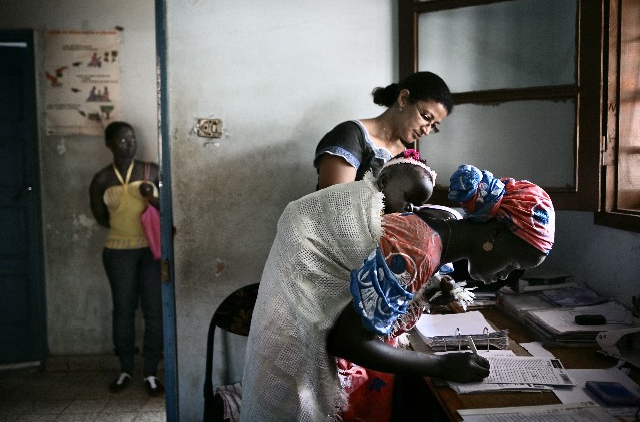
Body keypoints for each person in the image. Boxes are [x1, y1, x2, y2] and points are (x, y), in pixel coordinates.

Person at [240, 164, 555, 422]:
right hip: (296, 343)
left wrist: (425, 293)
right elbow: (348, 341)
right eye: (514, 263)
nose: (507, 276)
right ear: (496, 233)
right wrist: (441, 365)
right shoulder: (421, 250)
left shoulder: (446, 220)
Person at [89, 121, 164, 397]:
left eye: (132, 139)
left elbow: (169, 208)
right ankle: (125, 368)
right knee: (123, 309)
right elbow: (100, 217)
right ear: (109, 144)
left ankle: (151, 371)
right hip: (118, 251)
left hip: (151, 250)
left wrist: (152, 199)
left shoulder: (151, 171)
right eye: (122, 140)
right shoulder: (101, 179)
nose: (129, 144)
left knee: (154, 310)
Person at [314, 71, 453, 190]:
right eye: (426, 117)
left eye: (433, 125)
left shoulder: (404, 155)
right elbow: (335, 206)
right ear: (403, 99)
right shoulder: (351, 135)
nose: (427, 131)